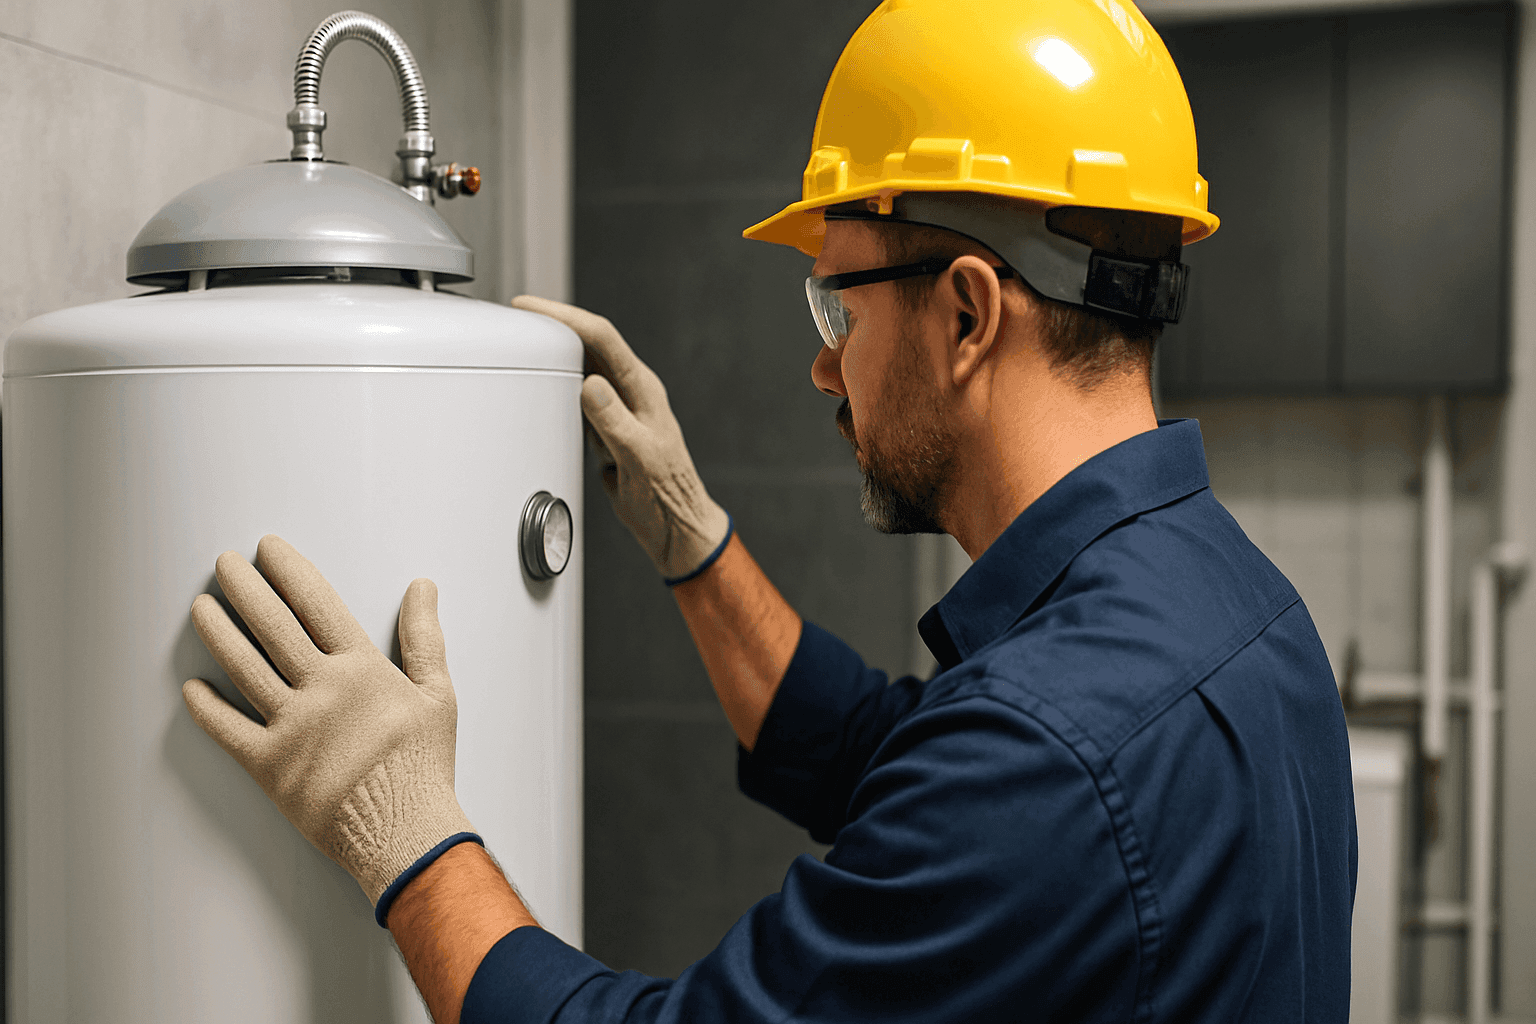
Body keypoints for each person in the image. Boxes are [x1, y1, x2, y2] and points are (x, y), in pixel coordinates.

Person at [183, 1, 1358, 1021]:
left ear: (967, 316)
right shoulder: (1240, 610)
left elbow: (992, 784)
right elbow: (884, 753)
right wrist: (689, 533)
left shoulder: (1044, 756)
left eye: (840, 307)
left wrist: (404, 827)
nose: (825, 364)